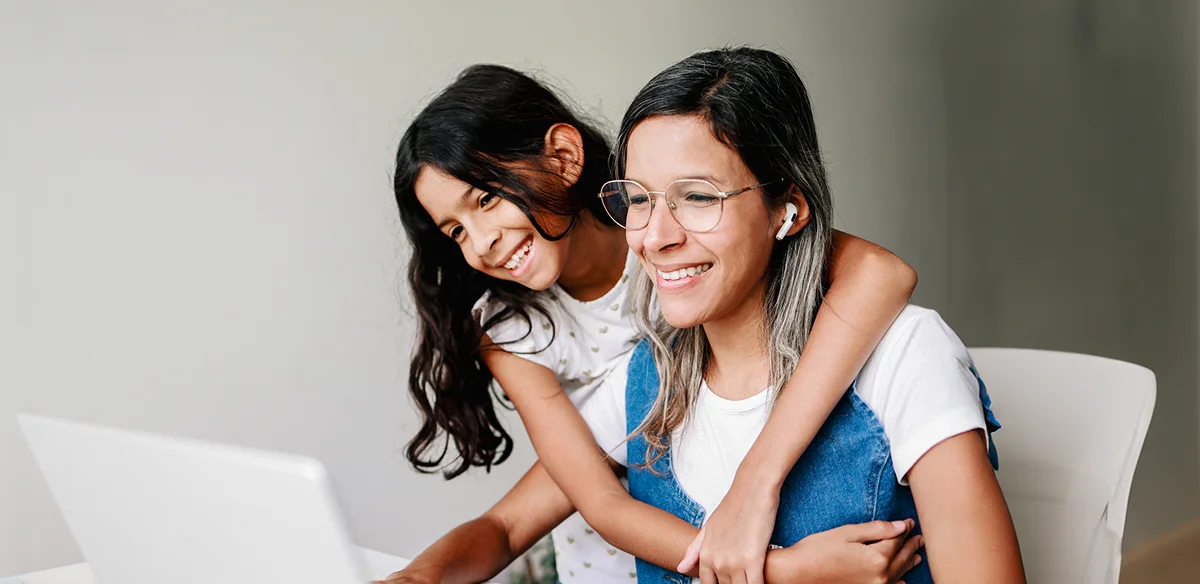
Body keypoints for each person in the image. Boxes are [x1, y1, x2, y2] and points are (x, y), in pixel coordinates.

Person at [384, 47, 1025, 584]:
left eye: (697, 197)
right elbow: (542, 515)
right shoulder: (642, 380)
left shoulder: (905, 353)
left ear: (787, 210)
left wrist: (755, 483)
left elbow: (882, 274)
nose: (657, 235)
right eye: (637, 200)